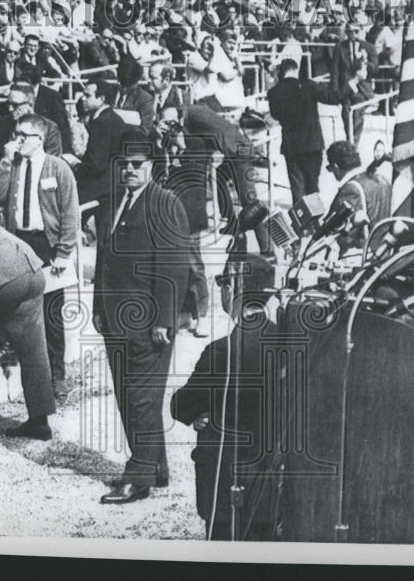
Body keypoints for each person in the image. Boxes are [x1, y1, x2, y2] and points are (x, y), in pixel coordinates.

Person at [95, 131, 190, 504]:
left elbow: (174, 267)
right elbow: (105, 260)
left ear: (152, 165)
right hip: (116, 322)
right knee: (126, 396)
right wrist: (100, 310)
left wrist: (165, 319)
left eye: (138, 164)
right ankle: (156, 467)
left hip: (150, 323)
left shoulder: (165, 204)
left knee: (143, 400)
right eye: (125, 164)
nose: (130, 170)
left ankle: (140, 475)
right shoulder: (116, 202)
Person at [171, 252, 280, 541]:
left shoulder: (221, 352)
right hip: (274, 483)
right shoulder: (289, 343)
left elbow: (180, 406)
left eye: (222, 285)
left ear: (233, 289)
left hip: (226, 483)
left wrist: (204, 413)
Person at [0, 113, 80, 402]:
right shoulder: (12, 165)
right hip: (18, 242)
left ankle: (57, 375)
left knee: (51, 312)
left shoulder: (57, 168)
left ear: (40, 140)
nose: (19, 140)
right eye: (17, 134)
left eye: (25, 135)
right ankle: (9, 348)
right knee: (9, 301)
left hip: (47, 245)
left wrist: (63, 251)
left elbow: (70, 212)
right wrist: (3, 162)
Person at [159, 103, 273, 258]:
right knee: (219, 177)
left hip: (239, 151)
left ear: (179, 115)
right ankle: (231, 223)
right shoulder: (191, 114)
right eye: (165, 122)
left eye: (170, 122)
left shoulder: (193, 115)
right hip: (233, 150)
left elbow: (216, 134)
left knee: (249, 201)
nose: (169, 126)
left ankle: (268, 250)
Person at [267, 57, 342, 204]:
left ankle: (300, 223)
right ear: (296, 69)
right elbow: (332, 97)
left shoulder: (274, 92)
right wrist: (352, 86)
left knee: (297, 189)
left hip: (291, 146)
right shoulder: (308, 85)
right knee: (312, 187)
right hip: (312, 144)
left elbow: (275, 115)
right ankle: (314, 222)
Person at [323, 140, 390, 252]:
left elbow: (343, 235)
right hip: (384, 251)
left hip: (360, 256)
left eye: (331, 169)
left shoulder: (350, 189)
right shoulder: (382, 180)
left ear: (335, 166)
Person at [70, 78, 128, 206]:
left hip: (103, 187)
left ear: (101, 99)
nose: (83, 99)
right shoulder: (112, 118)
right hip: (112, 184)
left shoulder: (102, 122)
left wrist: (76, 166)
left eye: (87, 95)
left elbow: (97, 164)